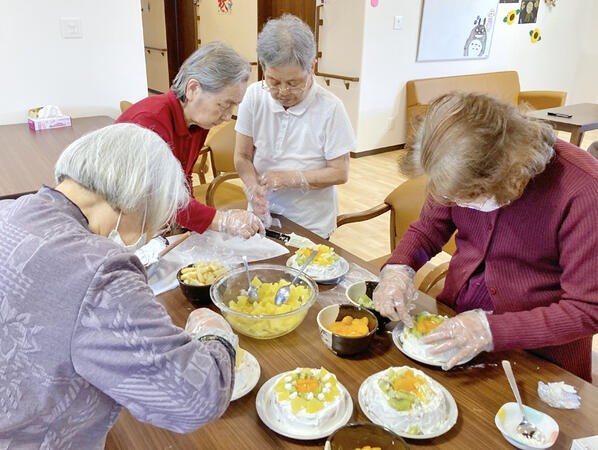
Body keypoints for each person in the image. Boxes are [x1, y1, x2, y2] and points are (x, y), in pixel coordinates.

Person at [0, 124, 239, 448]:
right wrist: (215, 334)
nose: (154, 230)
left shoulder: (8, 212)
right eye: (158, 217)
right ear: (138, 199)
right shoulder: (98, 268)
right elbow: (195, 400)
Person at [374, 93, 598, 382]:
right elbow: (429, 228)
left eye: (466, 197)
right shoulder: (457, 166)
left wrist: (490, 330)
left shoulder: (584, 191)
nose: (451, 201)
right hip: (456, 318)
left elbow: (587, 309)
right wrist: (398, 270)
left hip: (540, 354)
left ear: (507, 176)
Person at [116, 41, 263, 239]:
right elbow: (159, 198)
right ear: (193, 89)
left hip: (151, 223)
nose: (228, 116)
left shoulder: (197, 124)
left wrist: (191, 226)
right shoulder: (149, 122)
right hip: (121, 223)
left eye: (234, 106)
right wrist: (221, 220)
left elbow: (182, 181)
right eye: (225, 104)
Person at [234, 14, 357, 239]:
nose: (283, 92)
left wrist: (291, 178)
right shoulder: (254, 96)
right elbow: (242, 156)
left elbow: (340, 172)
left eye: (293, 83)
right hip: (262, 216)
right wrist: (253, 188)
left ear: (312, 66)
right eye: (273, 81)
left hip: (309, 224)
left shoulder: (330, 108)